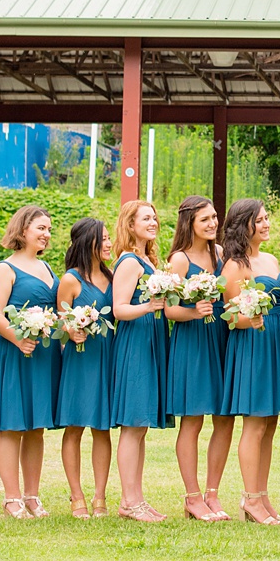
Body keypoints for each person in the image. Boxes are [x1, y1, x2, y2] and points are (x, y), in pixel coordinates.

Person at [0, 205, 60, 519]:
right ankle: (11, 498)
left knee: (37, 427)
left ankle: (32, 495)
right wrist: (18, 338)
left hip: (44, 354)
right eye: (40, 227)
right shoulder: (6, 268)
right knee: (12, 425)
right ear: (23, 228)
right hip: (16, 353)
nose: (46, 234)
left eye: (49, 229)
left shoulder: (48, 268)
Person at [165, 195, 234, 522]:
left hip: (221, 337)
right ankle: (192, 497)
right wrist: (193, 312)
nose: (213, 223)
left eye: (214, 217)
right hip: (192, 342)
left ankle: (213, 494)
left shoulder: (221, 254)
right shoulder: (179, 260)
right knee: (192, 420)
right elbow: (168, 309)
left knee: (224, 418)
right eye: (205, 219)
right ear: (189, 222)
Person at [220, 198, 280, 525]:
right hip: (252, 344)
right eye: (259, 220)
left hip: (276, 342)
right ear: (243, 224)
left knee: (270, 424)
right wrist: (252, 320)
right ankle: (249, 498)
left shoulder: (273, 260)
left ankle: (262, 496)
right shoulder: (235, 264)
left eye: (266, 218)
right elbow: (230, 317)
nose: (266, 224)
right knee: (254, 423)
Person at [110, 198, 170, 522]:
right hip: (136, 341)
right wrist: (150, 306)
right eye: (145, 218)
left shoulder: (147, 259)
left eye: (154, 217)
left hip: (152, 338)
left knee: (141, 425)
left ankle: (137, 497)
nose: (152, 221)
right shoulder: (130, 262)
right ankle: (128, 501)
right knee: (132, 424)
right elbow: (119, 309)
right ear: (130, 224)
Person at [55, 217, 115, 520]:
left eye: (108, 238)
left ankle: (100, 497)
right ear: (87, 241)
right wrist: (72, 329)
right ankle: (76, 496)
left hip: (108, 358)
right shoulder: (71, 279)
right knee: (75, 426)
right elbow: (60, 320)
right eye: (103, 238)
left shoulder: (113, 275)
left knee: (102, 428)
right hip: (80, 360)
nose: (108, 243)